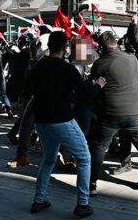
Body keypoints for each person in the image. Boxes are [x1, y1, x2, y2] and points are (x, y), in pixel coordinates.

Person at [26, 31, 105, 217]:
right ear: (65, 48)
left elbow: (29, 90)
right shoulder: (67, 68)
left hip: (42, 122)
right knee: (84, 158)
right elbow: (86, 92)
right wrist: (98, 85)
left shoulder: (38, 67)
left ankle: (39, 200)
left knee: (48, 159)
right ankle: (82, 204)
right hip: (62, 120)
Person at [89, 32, 138, 197]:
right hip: (134, 113)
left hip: (110, 115)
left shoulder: (100, 64)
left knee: (99, 147)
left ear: (101, 47)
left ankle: (92, 183)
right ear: (115, 43)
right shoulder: (132, 59)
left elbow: (95, 87)